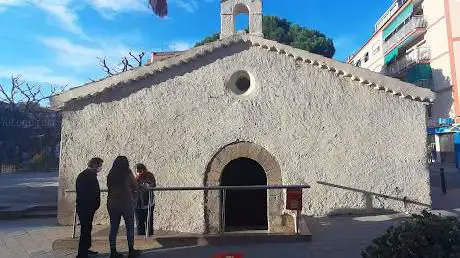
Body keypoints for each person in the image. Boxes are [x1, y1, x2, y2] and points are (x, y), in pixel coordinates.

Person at [107, 156, 141, 258]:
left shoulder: (111, 174)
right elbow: (135, 187)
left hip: (112, 203)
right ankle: (131, 250)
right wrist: (134, 200)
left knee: (113, 228)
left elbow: (109, 187)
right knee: (129, 227)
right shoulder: (128, 173)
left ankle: (113, 251)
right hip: (126, 203)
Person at [75, 157, 104, 258]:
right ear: (94, 164)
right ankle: (82, 253)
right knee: (85, 230)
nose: (100, 167)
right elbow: (86, 193)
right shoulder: (86, 176)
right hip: (85, 207)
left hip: (88, 207)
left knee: (87, 229)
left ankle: (86, 249)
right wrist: (92, 204)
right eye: (99, 165)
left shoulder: (89, 175)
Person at [135, 163, 156, 236]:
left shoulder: (149, 175)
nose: (139, 173)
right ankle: (140, 237)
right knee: (139, 222)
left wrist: (145, 184)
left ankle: (150, 237)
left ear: (144, 170)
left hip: (148, 203)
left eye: (140, 171)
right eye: (137, 171)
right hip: (137, 204)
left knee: (149, 221)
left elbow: (153, 185)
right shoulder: (134, 177)